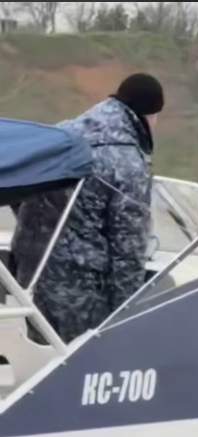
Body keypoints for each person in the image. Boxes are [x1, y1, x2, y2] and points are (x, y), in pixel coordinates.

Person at [11, 73, 161, 343]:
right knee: (80, 371)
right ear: (147, 115)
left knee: (42, 370)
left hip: (31, 279)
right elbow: (128, 246)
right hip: (81, 289)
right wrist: (125, 315)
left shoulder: (61, 135)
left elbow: (20, 191)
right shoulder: (125, 159)